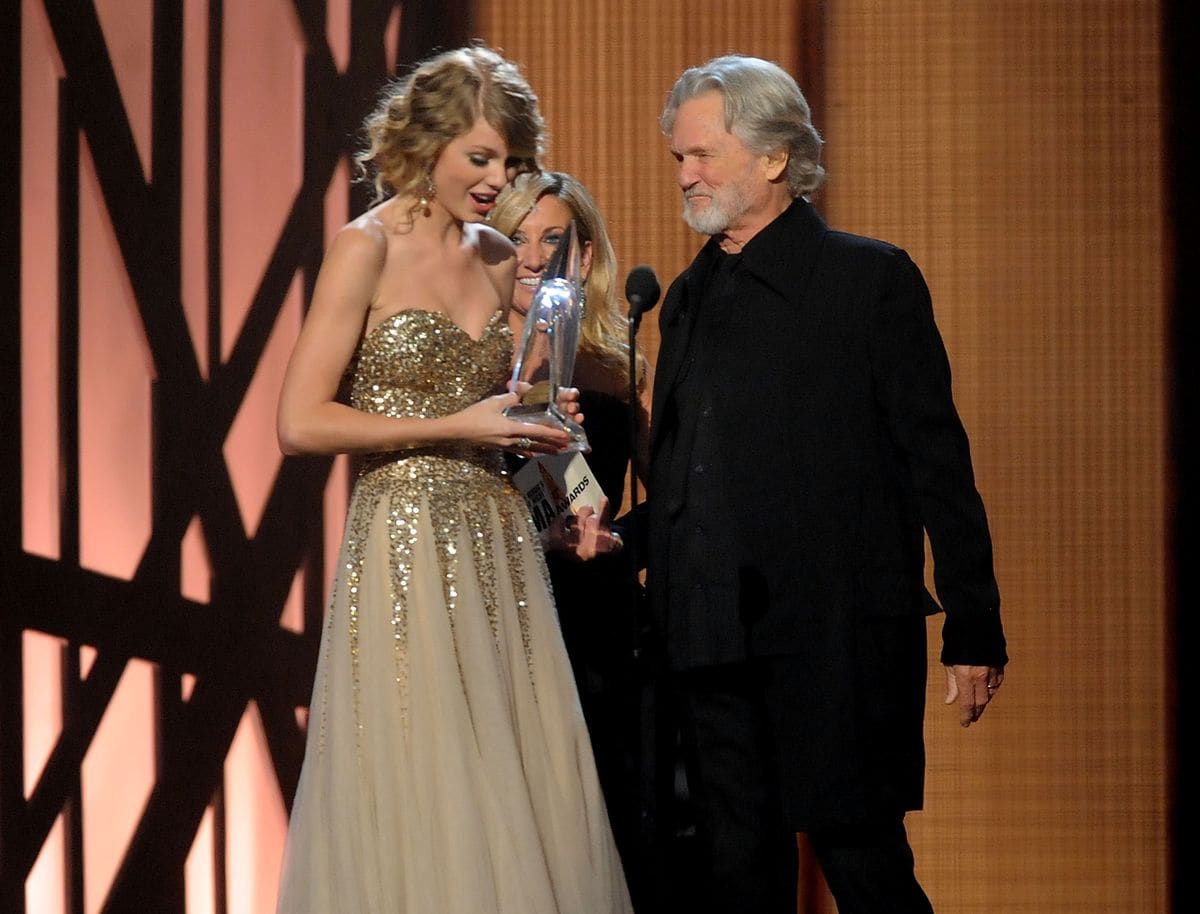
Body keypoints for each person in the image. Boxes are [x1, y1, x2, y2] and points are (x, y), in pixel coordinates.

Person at [645, 54, 1008, 914]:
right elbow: (692, 472)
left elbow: (937, 463)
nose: (686, 175)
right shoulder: (686, 299)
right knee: (739, 874)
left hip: (835, 633)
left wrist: (975, 624)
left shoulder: (867, 280)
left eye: (702, 155)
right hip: (710, 639)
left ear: (774, 158)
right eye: (678, 160)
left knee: (863, 862)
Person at [273, 46, 632, 914]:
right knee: (421, 765)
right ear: (423, 145)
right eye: (479, 158)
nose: (495, 177)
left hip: (499, 543)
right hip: (401, 541)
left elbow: (511, 411)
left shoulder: (503, 255)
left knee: (512, 769)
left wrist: (542, 421)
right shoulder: (364, 249)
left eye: (509, 160)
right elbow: (298, 422)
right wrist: (459, 425)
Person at [488, 171, 655, 901]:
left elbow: (677, 503)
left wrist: (619, 541)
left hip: (598, 621)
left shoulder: (625, 371)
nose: (531, 257)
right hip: (503, 615)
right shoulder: (466, 368)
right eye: (514, 238)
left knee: (603, 825)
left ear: (583, 256)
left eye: (551, 239)